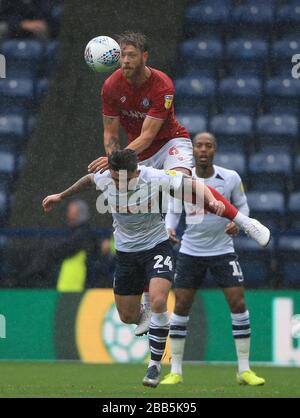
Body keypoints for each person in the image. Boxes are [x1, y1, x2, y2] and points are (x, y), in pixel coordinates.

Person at [43, 150, 269, 387]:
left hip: (156, 247)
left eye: (124, 179)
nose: (118, 183)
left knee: (159, 301)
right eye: (115, 178)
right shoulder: (106, 177)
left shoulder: (154, 176)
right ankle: (144, 315)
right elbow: (88, 180)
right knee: (127, 316)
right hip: (126, 254)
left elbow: (192, 184)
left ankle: (154, 365)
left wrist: (211, 200)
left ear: (136, 171)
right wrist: (61, 195)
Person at [160, 132, 265, 387]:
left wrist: (236, 223)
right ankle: (175, 371)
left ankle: (244, 369)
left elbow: (243, 207)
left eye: (208, 146)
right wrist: (170, 227)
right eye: (199, 146)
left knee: (238, 302)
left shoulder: (229, 177)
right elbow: (174, 209)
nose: (203, 150)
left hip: (222, 250)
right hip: (190, 250)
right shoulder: (183, 179)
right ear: (193, 151)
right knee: (181, 305)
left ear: (215, 150)